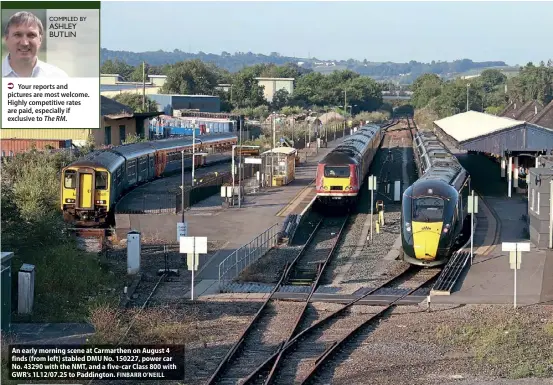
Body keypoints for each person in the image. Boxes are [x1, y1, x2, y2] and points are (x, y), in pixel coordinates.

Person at [2, 11, 68, 78]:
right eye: (17, 35)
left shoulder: (58, 77)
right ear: (6, 39)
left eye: (31, 35)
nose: (24, 43)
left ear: (40, 40)